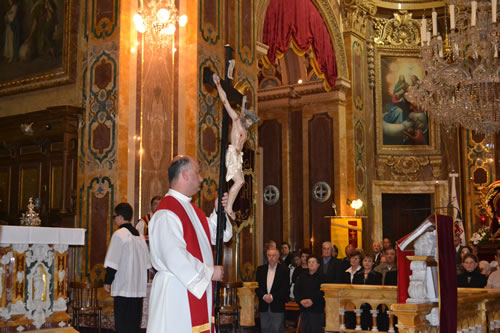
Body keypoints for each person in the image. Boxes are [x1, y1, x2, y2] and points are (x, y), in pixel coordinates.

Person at [146, 155, 233, 332]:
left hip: (190, 289)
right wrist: (209, 272)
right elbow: (174, 256)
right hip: (177, 293)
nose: (201, 178)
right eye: (197, 172)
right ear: (185, 174)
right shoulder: (167, 213)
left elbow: (219, 235)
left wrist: (219, 211)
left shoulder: (193, 210)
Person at [213, 73, 260, 219]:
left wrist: (245, 101)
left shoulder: (245, 131)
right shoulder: (236, 120)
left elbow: (244, 103)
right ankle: (228, 207)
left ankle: (229, 207)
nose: (250, 124)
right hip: (232, 154)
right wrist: (218, 85)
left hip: (238, 157)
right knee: (239, 181)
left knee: (241, 182)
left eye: (252, 123)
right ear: (245, 117)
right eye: (250, 121)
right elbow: (225, 101)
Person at [104, 203, 151, 333]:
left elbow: (113, 262)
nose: (114, 219)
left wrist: (108, 281)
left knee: (122, 325)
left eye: (114, 216)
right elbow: (147, 265)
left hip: (123, 288)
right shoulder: (140, 237)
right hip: (137, 289)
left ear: (120, 217)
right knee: (134, 325)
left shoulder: (119, 235)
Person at [255, 248, 290, 333]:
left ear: (278, 257)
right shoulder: (260, 269)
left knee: (277, 329)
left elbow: (285, 288)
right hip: (264, 306)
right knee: (264, 329)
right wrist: (264, 296)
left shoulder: (284, 270)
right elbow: (257, 287)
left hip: (277, 305)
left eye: (273, 255)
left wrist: (272, 296)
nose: (271, 258)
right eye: (269, 255)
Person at [294, 256, 325, 333]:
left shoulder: (322, 277)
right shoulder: (302, 276)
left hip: (317, 310)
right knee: (304, 330)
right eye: (309, 262)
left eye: (313, 262)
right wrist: (300, 300)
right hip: (304, 309)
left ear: (318, 265)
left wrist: (312, 300)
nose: (311, 264)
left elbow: (322, 292)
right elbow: (296, 290)